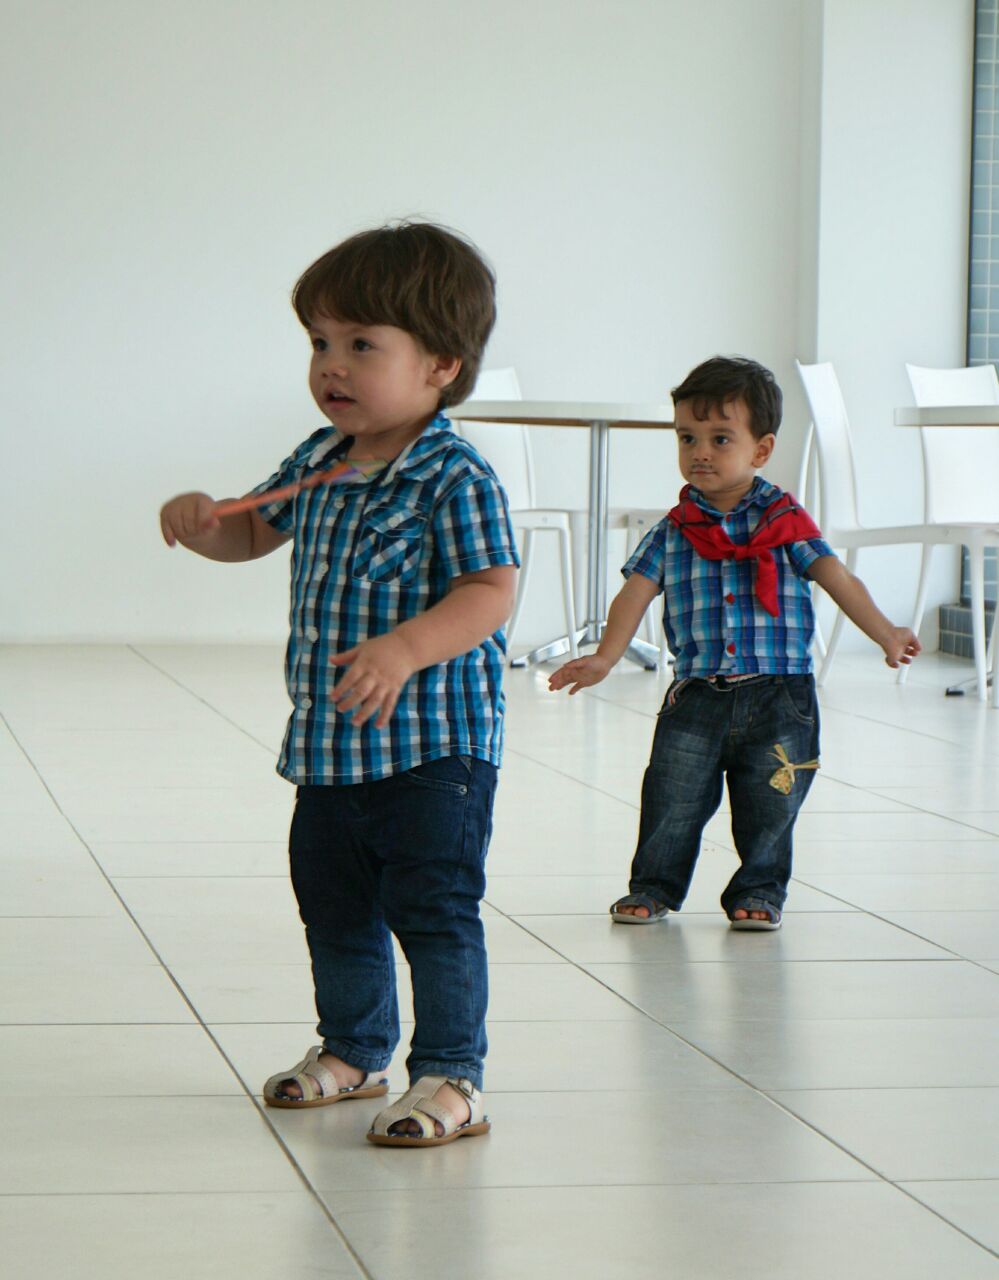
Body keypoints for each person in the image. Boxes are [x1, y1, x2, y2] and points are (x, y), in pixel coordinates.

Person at [159, 222, 519, 1146]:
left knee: (432, 910)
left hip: (433, 748)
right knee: (333, 903)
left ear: (440, 364)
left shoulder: (454, 475)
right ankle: (354, 1050)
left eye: (362, 344)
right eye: (320, 342)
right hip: (329, 745)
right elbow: (253, 529)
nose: (332, 365)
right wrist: (204, 524)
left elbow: (490, 591)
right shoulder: (321, 456)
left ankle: (452, 1075)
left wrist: (404, 648)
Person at [549, 356, 919, 931]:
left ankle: (759, 892)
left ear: (761, 450)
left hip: (781, 696)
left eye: (720, 439)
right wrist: (605, 656)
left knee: (771, 802)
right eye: (687, 438)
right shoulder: (673, 529)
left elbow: (837, 577)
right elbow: (634, 594)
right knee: (672, 799)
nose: (700, 452)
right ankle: (652, 888)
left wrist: (886, 632)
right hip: (697, 694)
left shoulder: (786, 521)